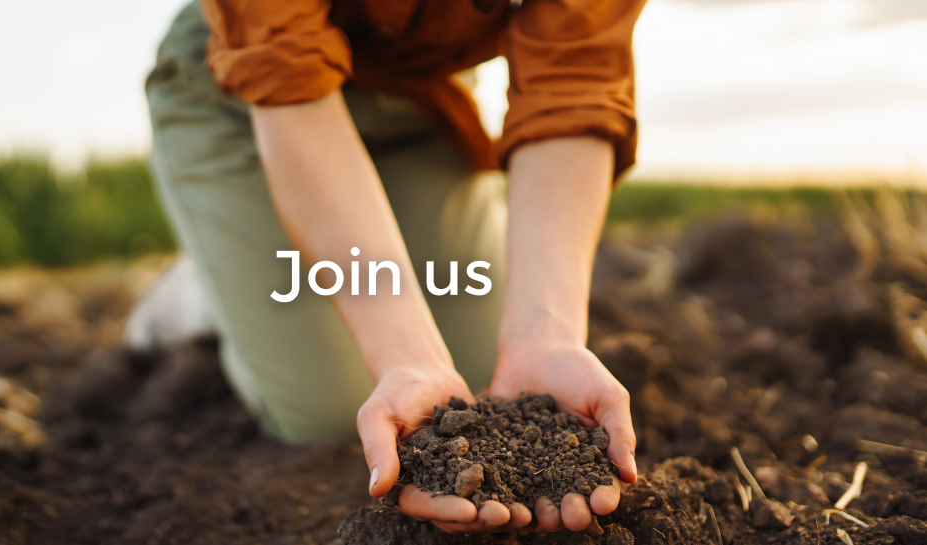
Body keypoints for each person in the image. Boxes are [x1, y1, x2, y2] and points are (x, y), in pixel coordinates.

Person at [136, 0, 645, 534]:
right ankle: (214, 279)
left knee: (481, 378)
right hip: (245, 95)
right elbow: (286, 75)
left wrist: (548, 337)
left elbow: (573, 85)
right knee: (330, 412)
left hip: (418, 102)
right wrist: (407, 359)